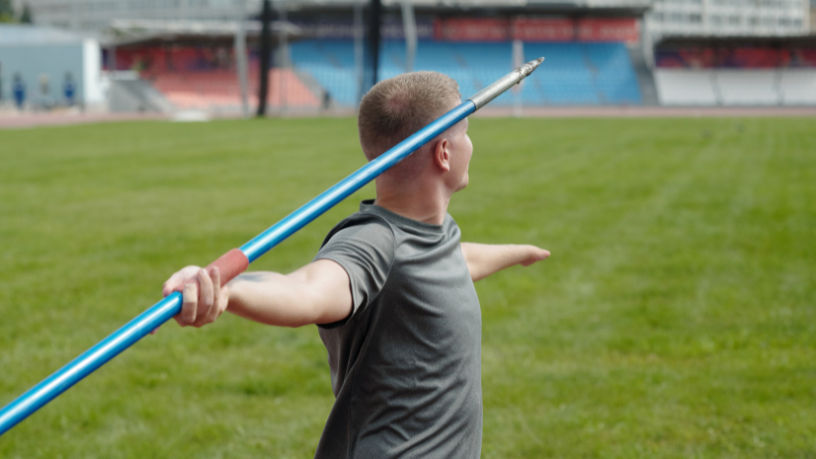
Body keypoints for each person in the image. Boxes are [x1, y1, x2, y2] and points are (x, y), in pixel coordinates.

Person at [162, 71, 549, 458]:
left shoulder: (430, 234)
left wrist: (516, 251)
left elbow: (450, 262)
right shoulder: (373, 241)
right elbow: (308, 290)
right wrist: (226, 288)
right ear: (444, 152)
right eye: (465, 131)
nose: (471, 143)